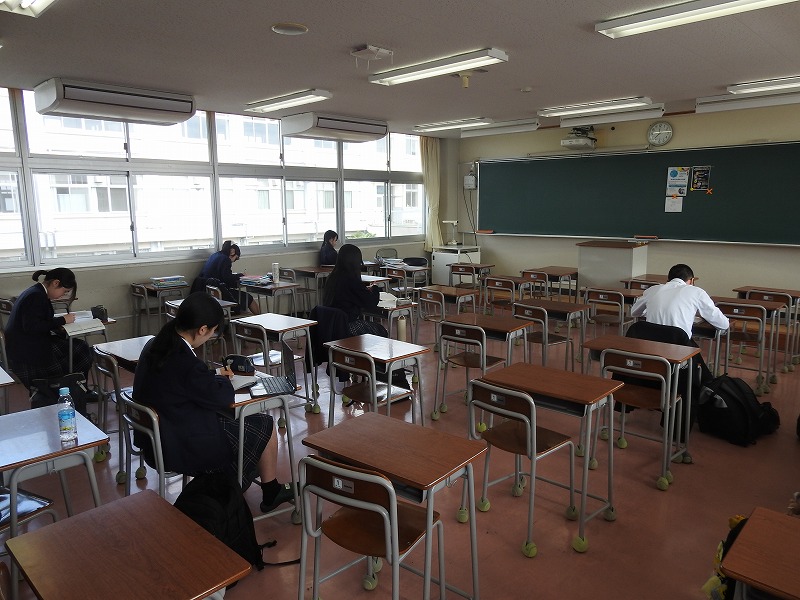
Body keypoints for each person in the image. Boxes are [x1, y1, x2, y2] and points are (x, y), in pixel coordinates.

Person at [132, 292, 293, 512]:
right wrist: (226, 380)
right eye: (213, 331)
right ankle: (265, 489)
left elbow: (185, 384)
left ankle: (249, 474)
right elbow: (222, 397)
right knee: (264, 423)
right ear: (202, 329)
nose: (211, 336)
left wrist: (212, 376)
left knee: (242, 425)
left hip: (157, 437)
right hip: (179, 443)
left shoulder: (156, 344)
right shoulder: (185, 362)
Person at [630, 263, 729, 384]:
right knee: (694, 352)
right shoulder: (696, 292)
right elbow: (723, 324)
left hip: (650, 349)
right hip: (678, 351)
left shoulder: (653, 290)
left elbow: (634, 312)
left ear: (668, 279)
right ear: (692, 280)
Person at [5, 268, 93, 389]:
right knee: (77, 353)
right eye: (65, 291)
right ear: (55, 283)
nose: (63, 295)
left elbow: (40, 321)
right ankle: (73, 388)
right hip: (27, 349)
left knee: (81, 347)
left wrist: (58, 326)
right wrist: (62, 320)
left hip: (31, 342)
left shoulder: (37, 292)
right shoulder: (36, 296)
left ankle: (78, 388)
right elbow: (32, 326)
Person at [322, 243, 387, 337]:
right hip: (346, 326)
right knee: (381, 330)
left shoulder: (331, 278)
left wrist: (363, 290)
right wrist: (375, 288)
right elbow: (371, 303)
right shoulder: (351, 280)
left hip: (329, 326)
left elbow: (351, 295)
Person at [196, 240, 260, 315]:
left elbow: (222, 276)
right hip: (220, 293)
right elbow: (228, 279)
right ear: (232, 252)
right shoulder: (225, 259)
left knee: (243, 297)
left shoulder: (214, 255)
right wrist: (240, 275)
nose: (233, 261)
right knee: (248, 298)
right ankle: (259, 317)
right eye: (236, 258)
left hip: (209, 291)